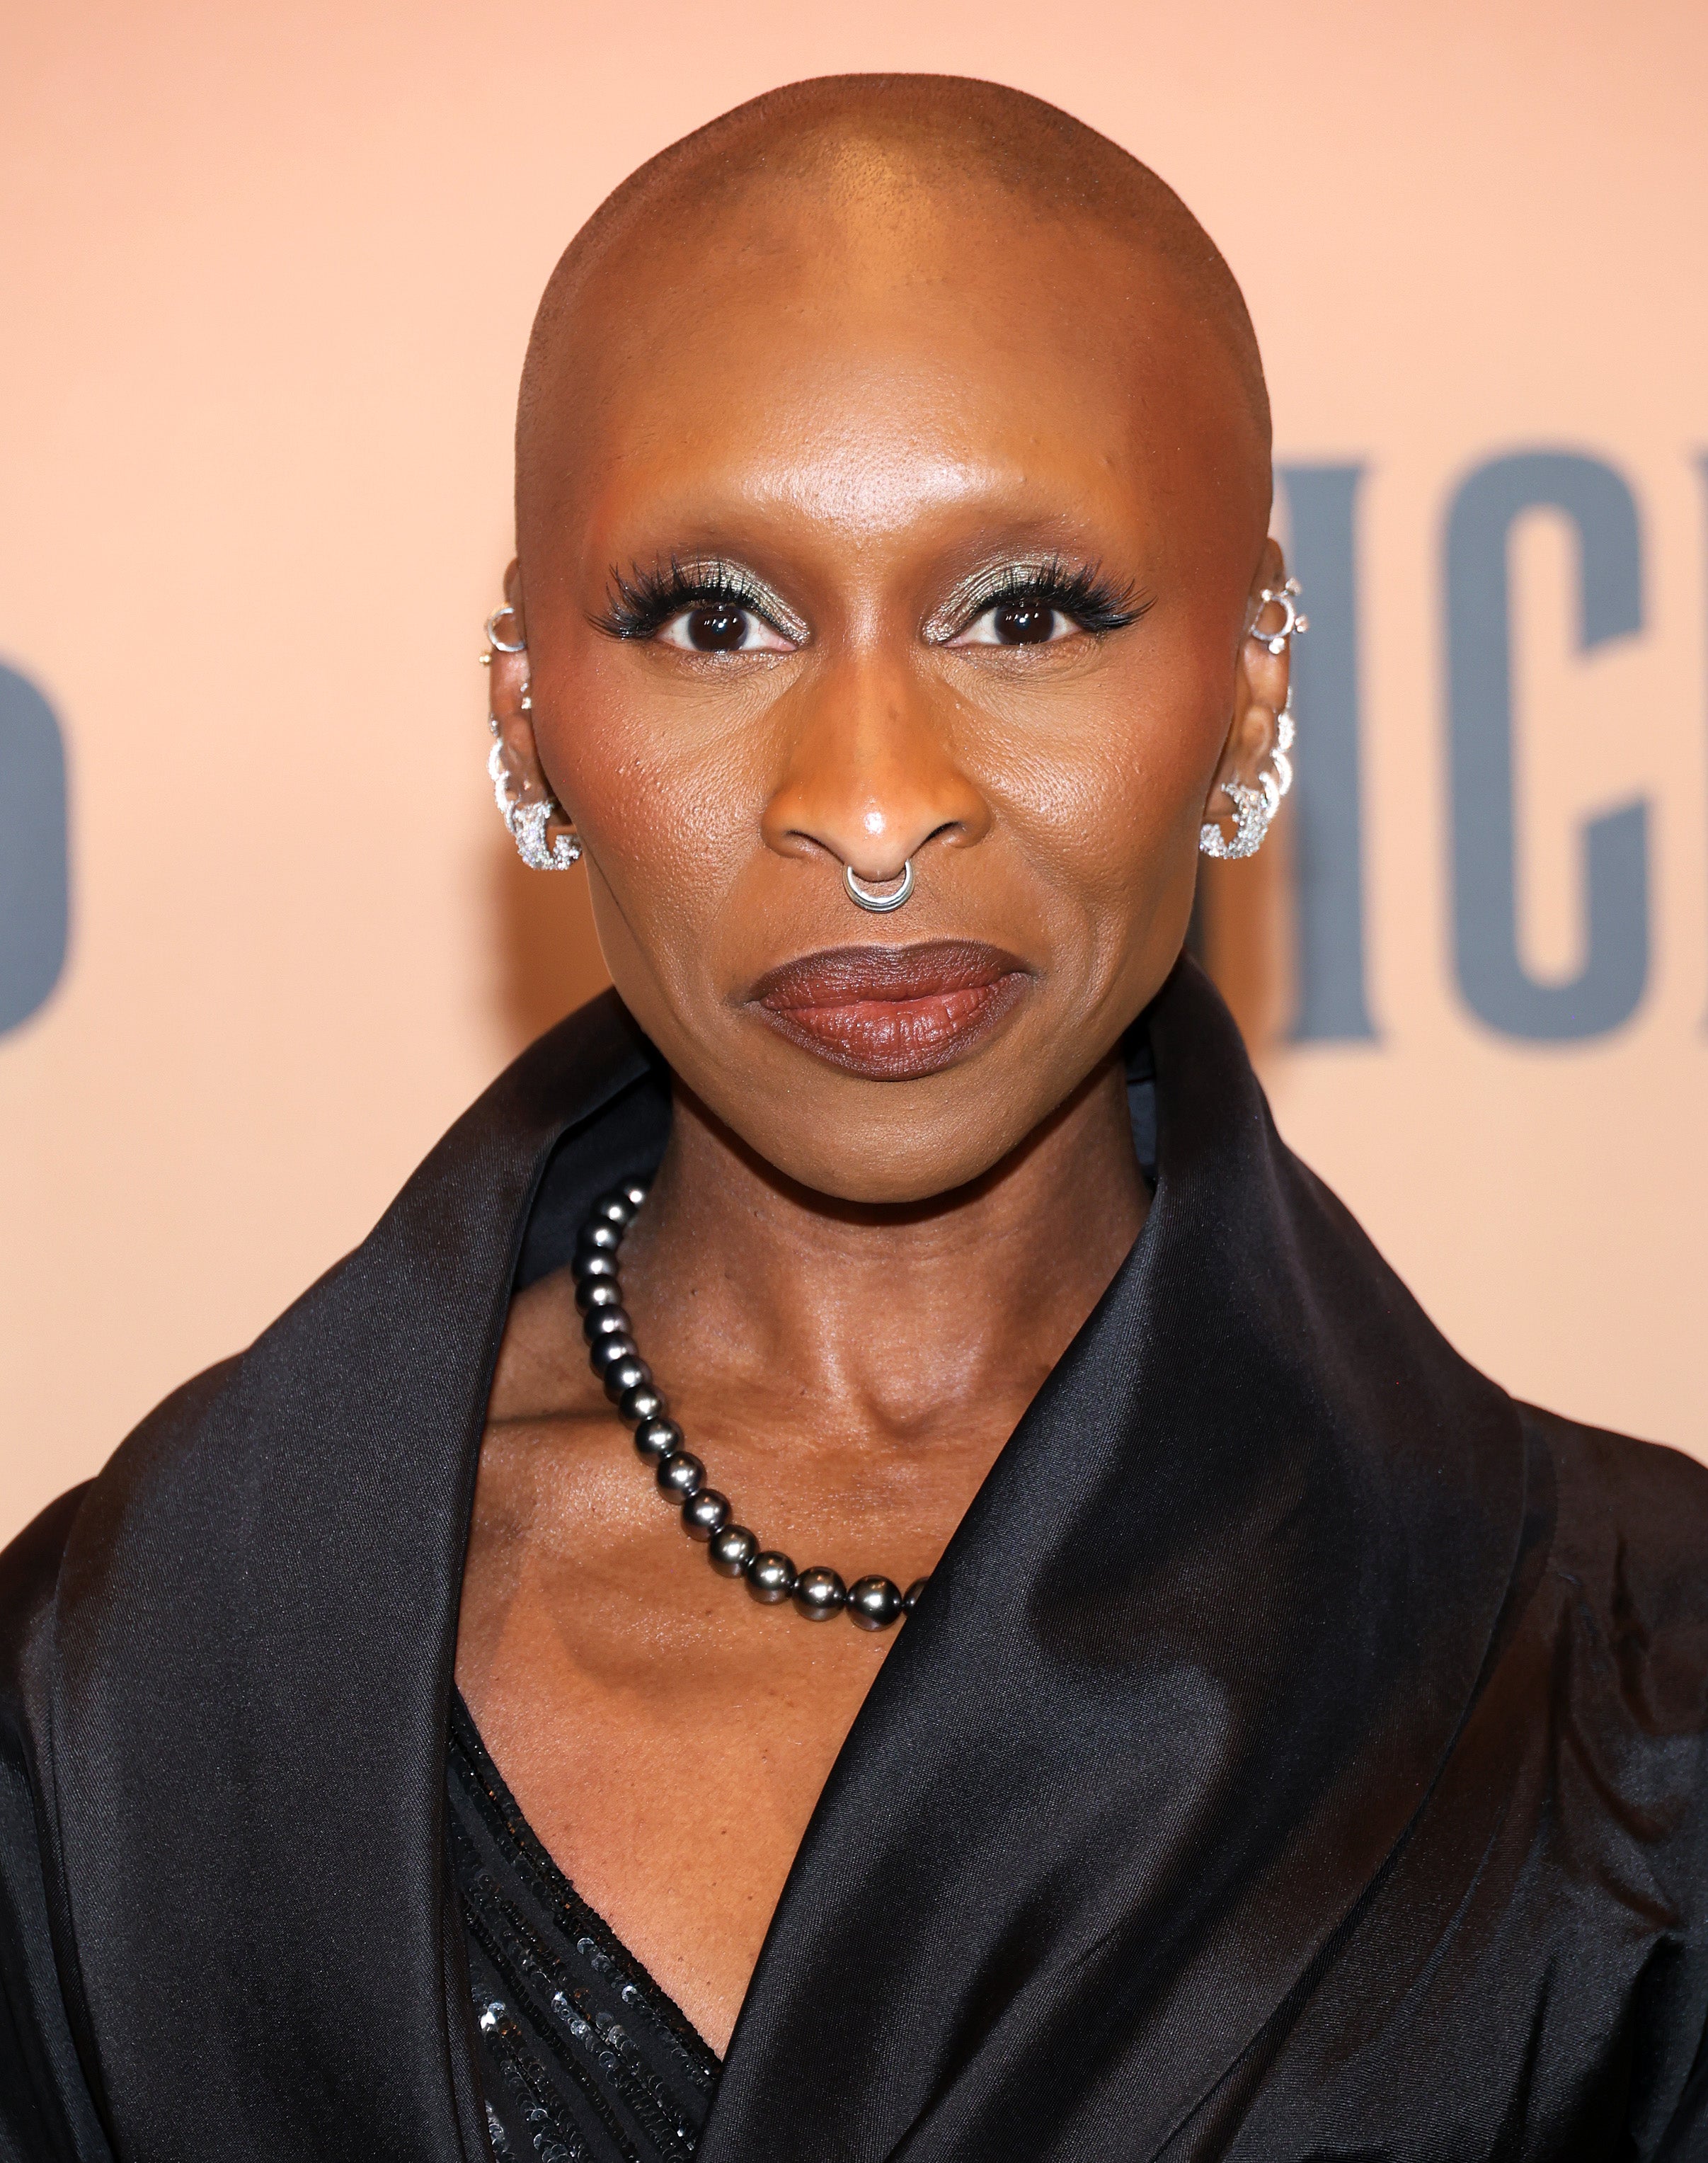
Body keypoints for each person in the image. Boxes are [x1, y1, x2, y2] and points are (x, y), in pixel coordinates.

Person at [3, 72, 1706, 2163]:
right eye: (714, 620)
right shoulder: (123, 1691)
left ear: (1256, 680)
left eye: (1030, 612)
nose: (878, 806)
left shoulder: (1634, 1701)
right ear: (527, 703)